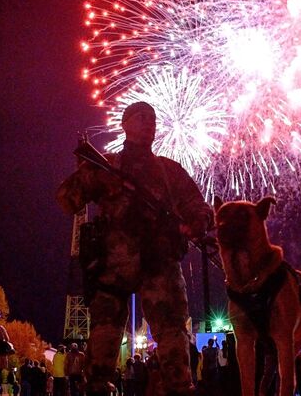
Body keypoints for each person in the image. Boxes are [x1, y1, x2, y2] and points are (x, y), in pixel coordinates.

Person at [56, 101, 212, 396]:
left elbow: (199, 206)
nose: (149, 123)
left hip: (159, 264)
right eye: (141, 117)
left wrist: (197, 221)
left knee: (173, 339)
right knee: (103, 341)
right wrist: (88, 174)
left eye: (152, 119)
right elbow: (66, 199)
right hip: (115, 266)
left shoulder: (168, 171)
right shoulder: (109, 166)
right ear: (125, 124)